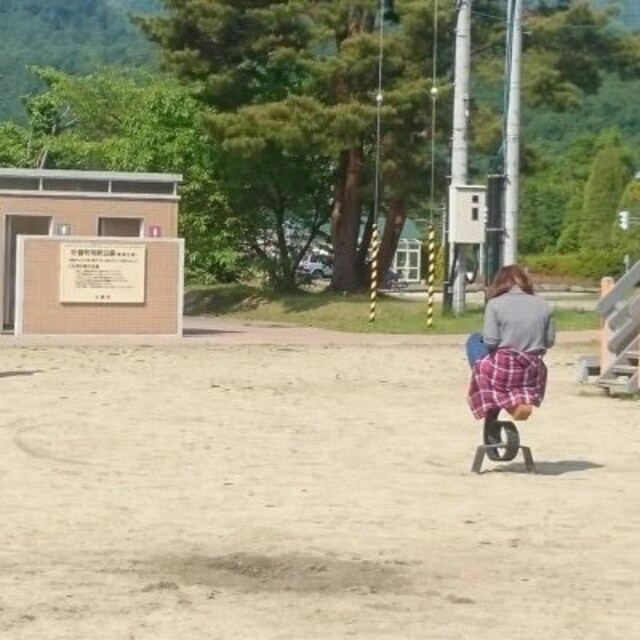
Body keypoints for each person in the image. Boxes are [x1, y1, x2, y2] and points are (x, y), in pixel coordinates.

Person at [466, 264, 555, 421]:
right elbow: (549, 342)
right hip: (531, 371)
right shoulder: (544, 305)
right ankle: (515, 399)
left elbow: (491, 342)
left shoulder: (495, 304)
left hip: (503, 370)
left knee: (474, 340)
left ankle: (489, 391)